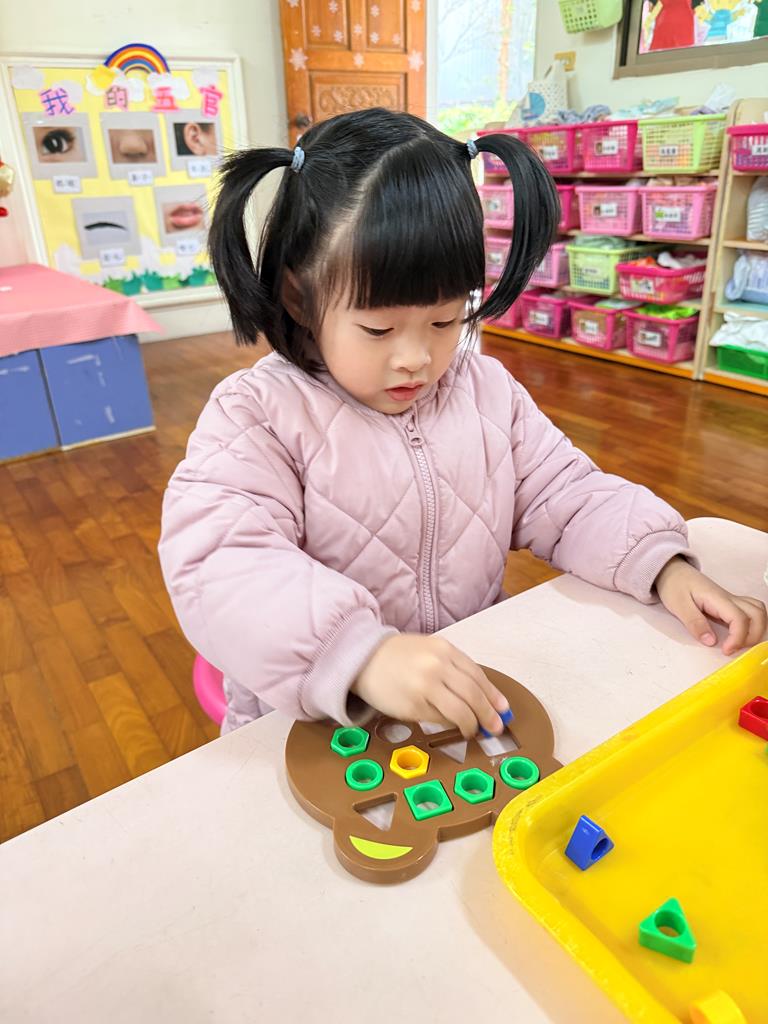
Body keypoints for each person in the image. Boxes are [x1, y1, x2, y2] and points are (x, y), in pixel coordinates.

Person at [159, 108, 766, 738]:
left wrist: (660, 564)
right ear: (299, 297)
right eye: (378, 329)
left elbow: (568, 494)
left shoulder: (486, 392)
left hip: (465, 695)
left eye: (445, 321)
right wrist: (359, 654)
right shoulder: (257, 415)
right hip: (317, 717)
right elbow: (219, 563)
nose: (416, 358)